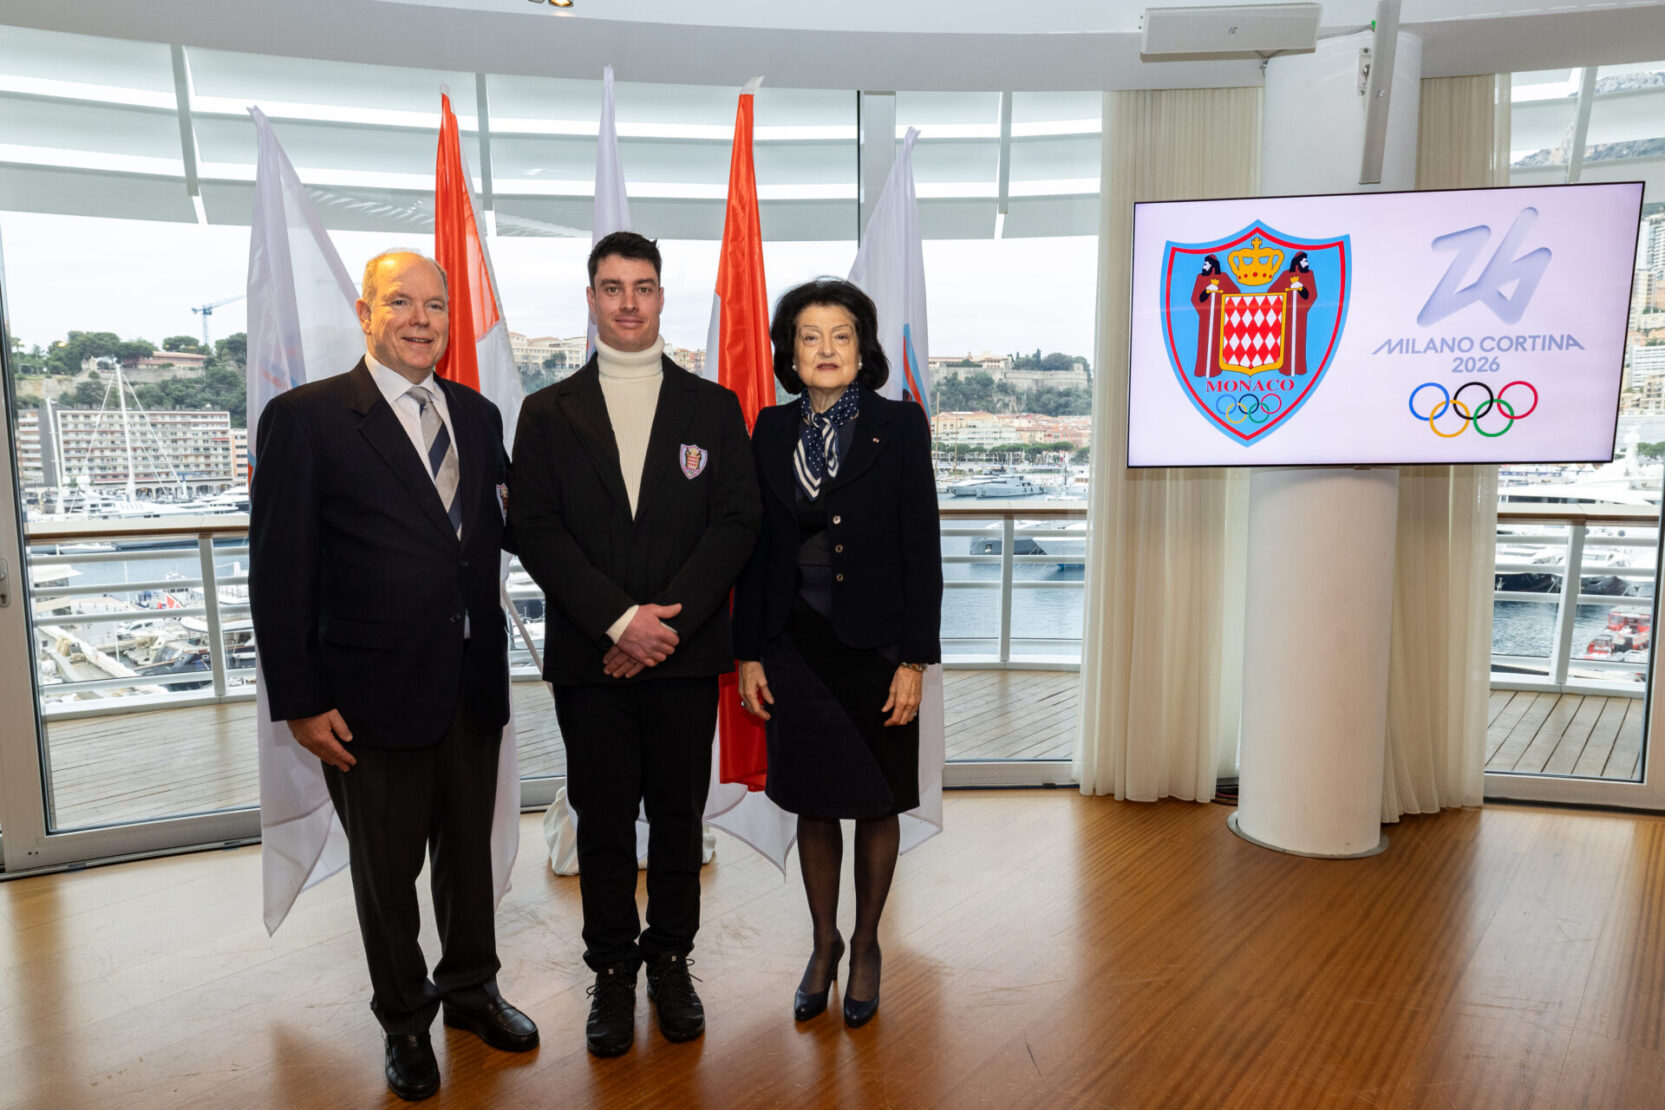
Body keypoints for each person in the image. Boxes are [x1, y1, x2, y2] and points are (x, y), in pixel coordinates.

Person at [249, 250, 536, 1102]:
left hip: (471, 682)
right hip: (366, 697)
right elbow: (278, 573)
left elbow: (510, 529)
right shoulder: (306, 418)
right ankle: (405, 1023)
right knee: (385, 872)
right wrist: (300, 701)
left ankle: (472, 989)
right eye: (401, 302)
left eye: (436, 306)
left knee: (468, 858)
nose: (421, 319)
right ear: (364, 310)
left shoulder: (479, 418)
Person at [508, 231, 761, 1057]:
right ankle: (612, 973)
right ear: (590, 300)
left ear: (660, 298)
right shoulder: (545, 413)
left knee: (679, 820)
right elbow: (535, 531)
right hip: (591, 660)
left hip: (683, 659)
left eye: (642, 287)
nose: (627, 302)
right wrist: (621, 623)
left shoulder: (713, 408)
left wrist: (663, 628)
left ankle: (671, 964)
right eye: (611, 287)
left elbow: (736, 524)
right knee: (606, 822)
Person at [733, 278, 942, 1028]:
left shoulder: (901, 424)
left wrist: (914, 660)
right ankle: (821, 944)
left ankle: (866, 944)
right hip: (793, 645)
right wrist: (749, 653)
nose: (826, 350)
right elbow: (755, 552)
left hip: (878, 647)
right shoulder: (765, 428)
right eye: (809, 337)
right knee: (816, 803)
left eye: (841, 336)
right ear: (790, 352)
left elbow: (922, 547)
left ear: (863, 348)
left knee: (877, 800)